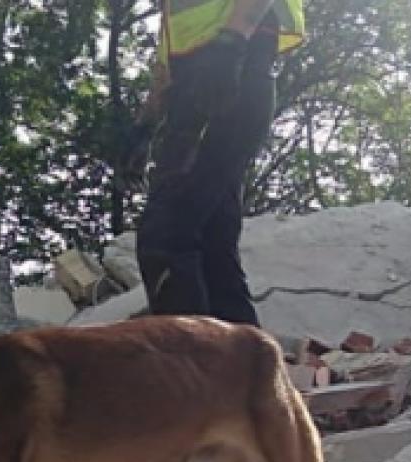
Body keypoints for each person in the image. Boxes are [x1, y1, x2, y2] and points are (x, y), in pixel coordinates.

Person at [116, 0, 305, 327]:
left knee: (166, 235)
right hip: (212, 79)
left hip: (229, 69)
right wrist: (145, 126)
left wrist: (231, 42)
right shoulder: (175, 11)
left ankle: (192, 370)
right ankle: (248, 371)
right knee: (212, 244)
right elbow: (168, 68)